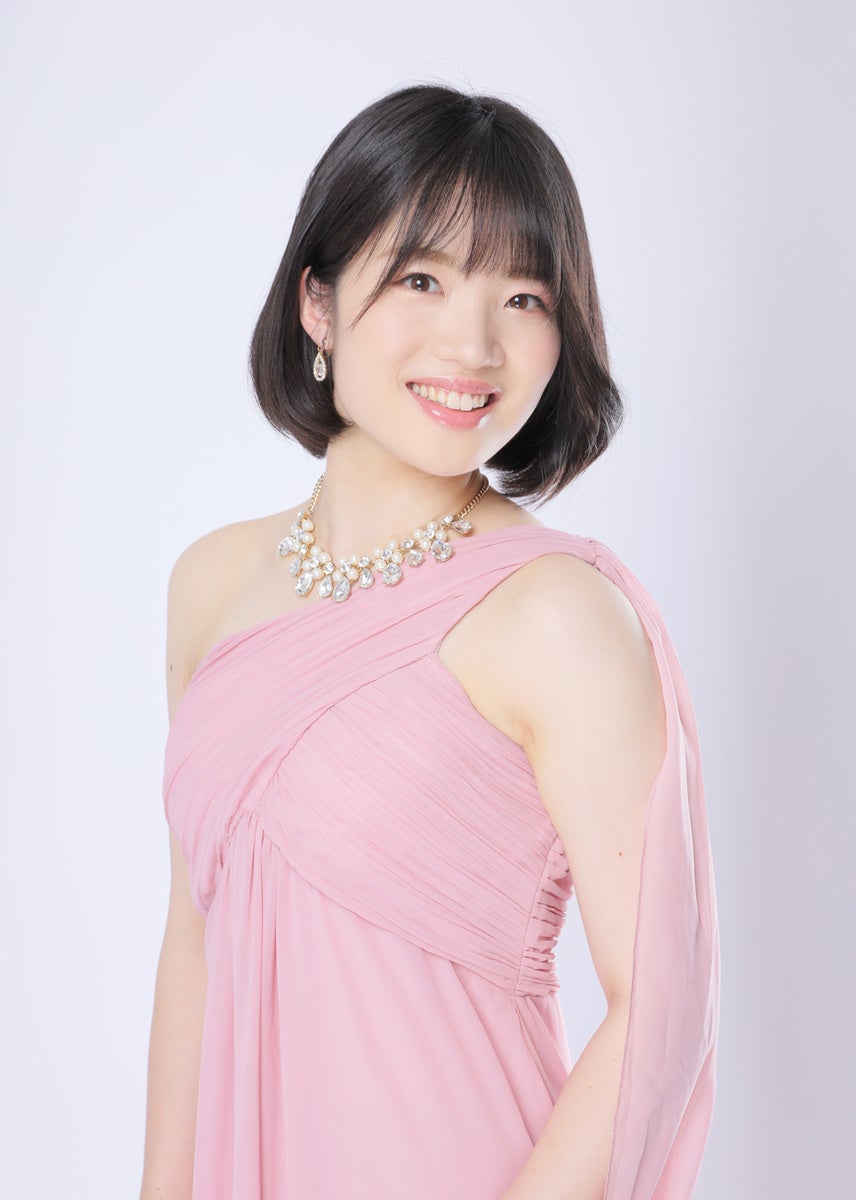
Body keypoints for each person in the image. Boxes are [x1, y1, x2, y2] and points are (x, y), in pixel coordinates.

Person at [139, 84, 720, 1200]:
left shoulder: (558, 613)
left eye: (523, 295)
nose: (474, 343)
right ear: (316, 303)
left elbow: (664, 1004)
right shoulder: (210, 583)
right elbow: (194, 936)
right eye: (421, 279)